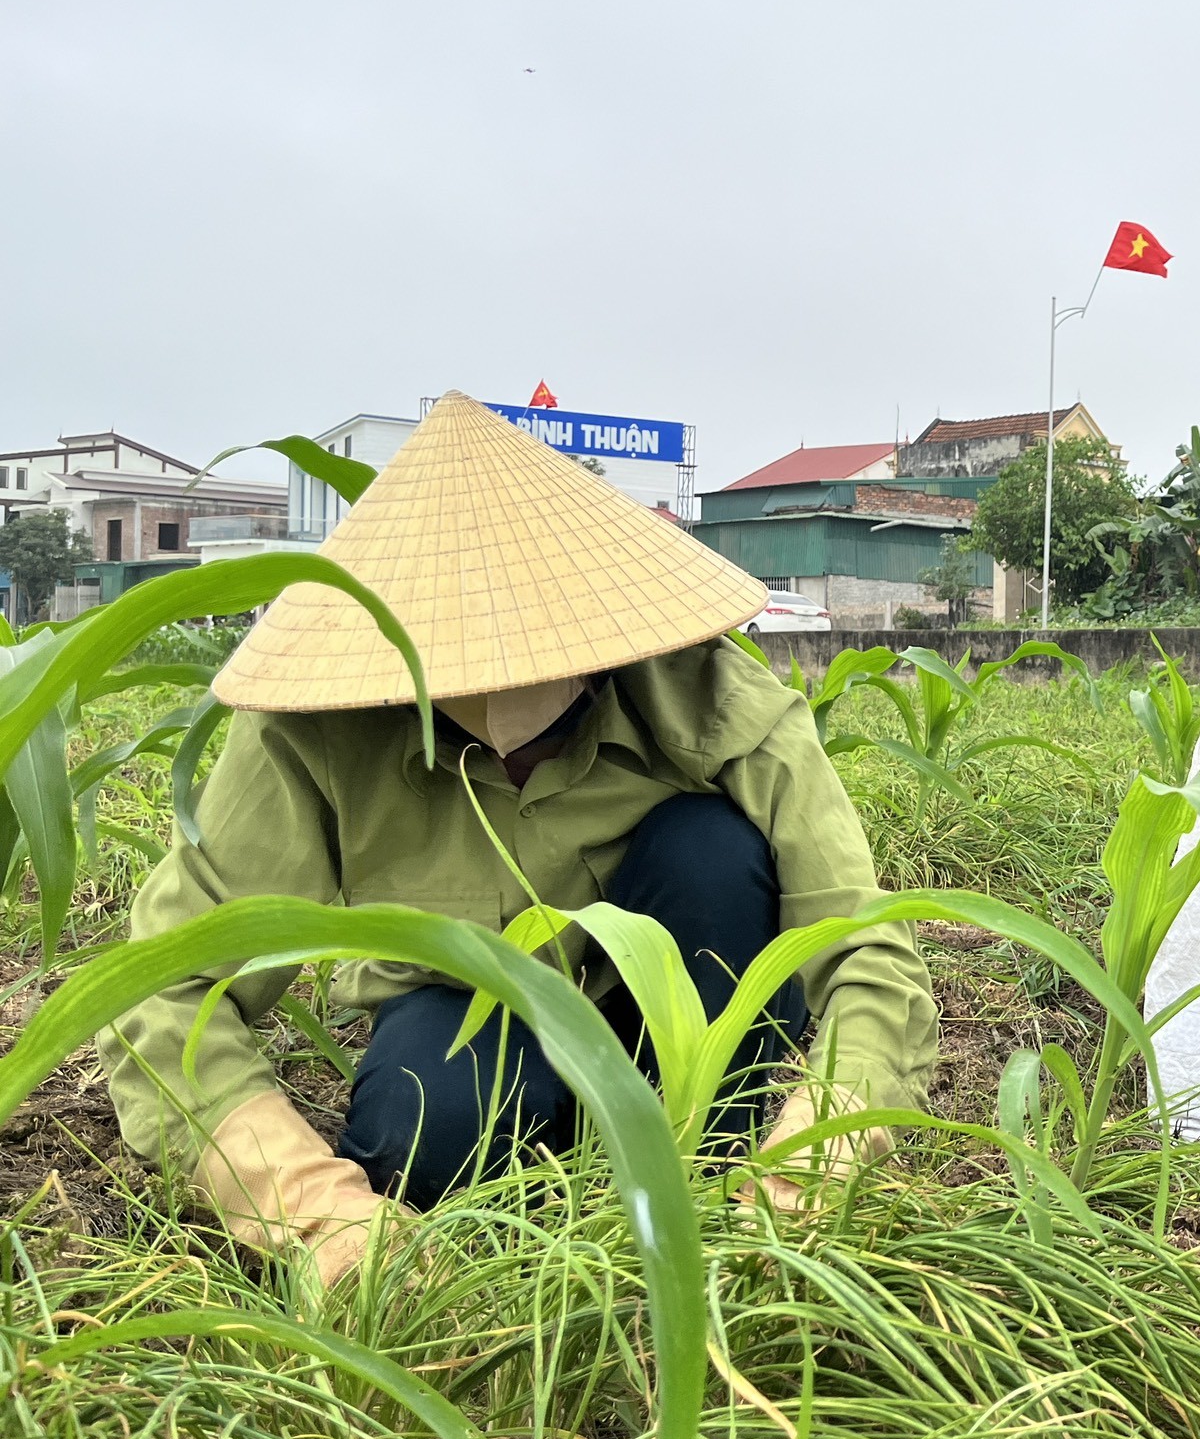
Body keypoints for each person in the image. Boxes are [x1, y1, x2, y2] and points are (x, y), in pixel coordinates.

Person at [100, 393, 935, 1283]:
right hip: (467, 1022)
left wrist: (816, 1159)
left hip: (677, 1021)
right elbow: (163, 993)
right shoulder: (313, 730)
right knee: (427, 1127)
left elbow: (865, 945)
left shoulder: (712, 700)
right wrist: (313, 1211)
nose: (502, 695)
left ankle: (706, 1165)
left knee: (712, 854)